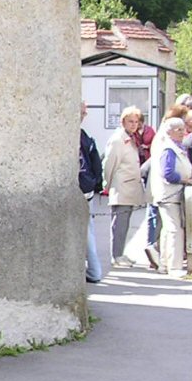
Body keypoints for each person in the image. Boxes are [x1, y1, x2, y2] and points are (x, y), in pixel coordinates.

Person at [148, 116, 192, 279]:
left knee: (169, 230)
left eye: (182, 129)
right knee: (174, 229)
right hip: (169, 195)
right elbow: (168, 174)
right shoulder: (168, 150)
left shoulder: (177, 148)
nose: (182, 132)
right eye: (178, 130)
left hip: (174, 195)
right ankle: (174, 266)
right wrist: (187, 180)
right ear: (169, 132)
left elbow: (187, 167)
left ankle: (164, 264)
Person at [102, 106, 147, 268]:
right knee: (119, 224)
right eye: (130, 121)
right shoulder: (117, 140)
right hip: (121, 186)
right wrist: (107, 184)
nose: (134, 125)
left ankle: (120, 253)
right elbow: (109, 164)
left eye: (136, 122)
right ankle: (116, 255)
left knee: (125, 223)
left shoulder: (131, 138)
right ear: (123, 122)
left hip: (130, 186)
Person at [79, 102, 104, 283]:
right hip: (86, 187)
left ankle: (94, 271)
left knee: (87, 232)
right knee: (88, 232)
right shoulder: (81, 136)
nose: (84, 115)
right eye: (82, 112)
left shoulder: (81, 136)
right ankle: (94, 270)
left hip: (83, 188)